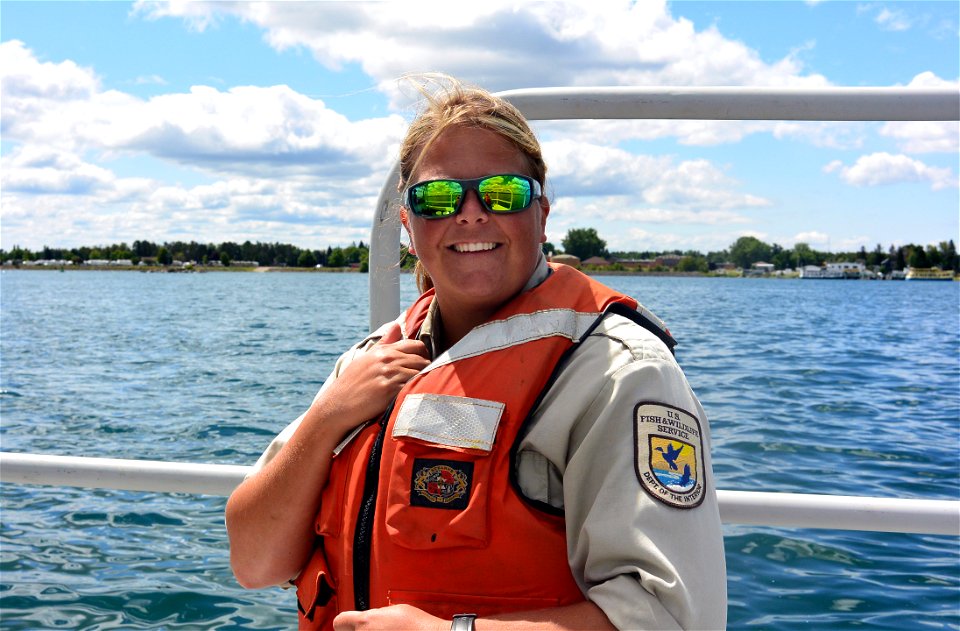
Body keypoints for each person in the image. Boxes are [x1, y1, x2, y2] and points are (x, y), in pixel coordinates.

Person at [225, 77, 727, 631]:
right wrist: (325, 421)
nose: (470, 213)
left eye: (503, 193)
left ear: (542, 213)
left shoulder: (618, 372)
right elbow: (254, 562)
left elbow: (674, 618)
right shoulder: (372, 363)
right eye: (437, 198)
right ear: (408, 226)